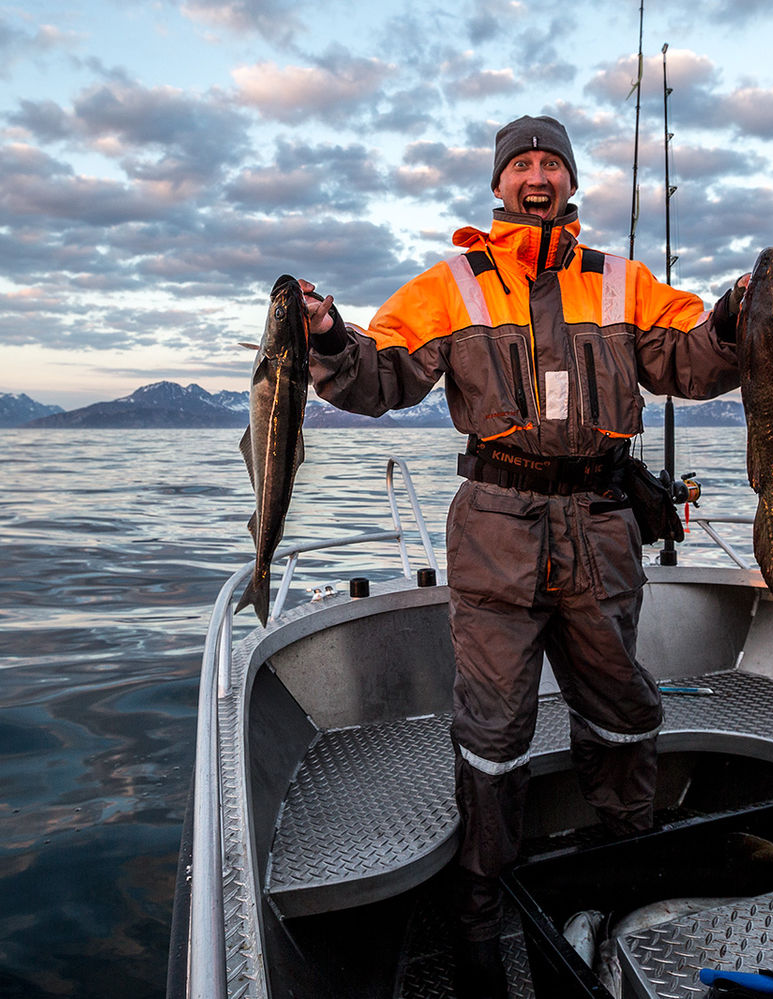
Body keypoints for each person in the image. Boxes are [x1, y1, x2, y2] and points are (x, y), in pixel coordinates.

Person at [300, 114, 747, 998]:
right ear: (499, 184)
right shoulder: (452, 285)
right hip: (495, 529)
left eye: (551, 164)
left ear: (570, 181)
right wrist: (323, 335)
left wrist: (736, 314)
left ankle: (624, 875)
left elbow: (691, 363)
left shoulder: (622, 281)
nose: (537, 177)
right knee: (494, 730)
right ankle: (478, 916)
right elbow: (378, 376)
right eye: (522, 165)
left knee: (623, 708)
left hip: (603, 526)